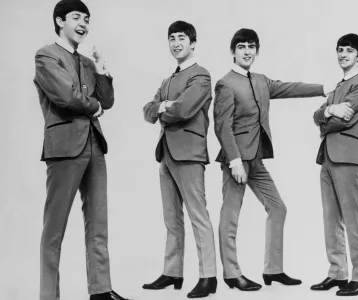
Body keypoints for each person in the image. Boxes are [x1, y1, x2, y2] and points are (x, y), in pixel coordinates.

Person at [213, 28, 329, 292]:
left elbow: (290, 88)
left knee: (278, 208)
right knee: (231, 217)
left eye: (251, 46)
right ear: (233, 51)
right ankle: (232, 274)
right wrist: (234, 161)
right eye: (241, 46)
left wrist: (323, 89)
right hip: (237, 161)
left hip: (256, 159)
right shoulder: (225, 83)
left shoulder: (261, 80)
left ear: (256, 51)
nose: (246, 51)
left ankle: (273, 270)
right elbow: (222, 126)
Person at [33, 1, 131, 299]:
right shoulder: (46, 55)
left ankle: (101, 291)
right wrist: (96, 106)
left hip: (94, 146)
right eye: (77, 17)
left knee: (98, 223)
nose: (84, 23)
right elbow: (65, 97)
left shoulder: (88, 62)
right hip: (64, 148)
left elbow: (108, 100)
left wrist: (101, 73)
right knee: (54, 230)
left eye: (87, 19)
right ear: (60, 20)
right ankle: (49, 295)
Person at [142, 20, 217, 299]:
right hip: (166, 154)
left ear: (193, 43)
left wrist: (164, 108)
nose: (176, 43)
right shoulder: (168, 80)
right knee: (171, 219)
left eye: (182, 38)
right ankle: (172, 272)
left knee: (199, 216)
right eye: (172, 38)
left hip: (189, 153)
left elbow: (183, 110)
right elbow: (147, 111)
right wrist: (162, 106)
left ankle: (209, 277)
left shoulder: (201, 76)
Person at [311, 33, 358, 297]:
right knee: (331, 219)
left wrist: (329, 114)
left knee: (352, 218)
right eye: (340, 50)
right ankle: (337, 273)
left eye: (349, 50)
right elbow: (318, 116)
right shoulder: (338, 87)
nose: (343, 54)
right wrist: (328, 110)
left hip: (349, 158)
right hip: (327, 157)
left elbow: (344, 120)